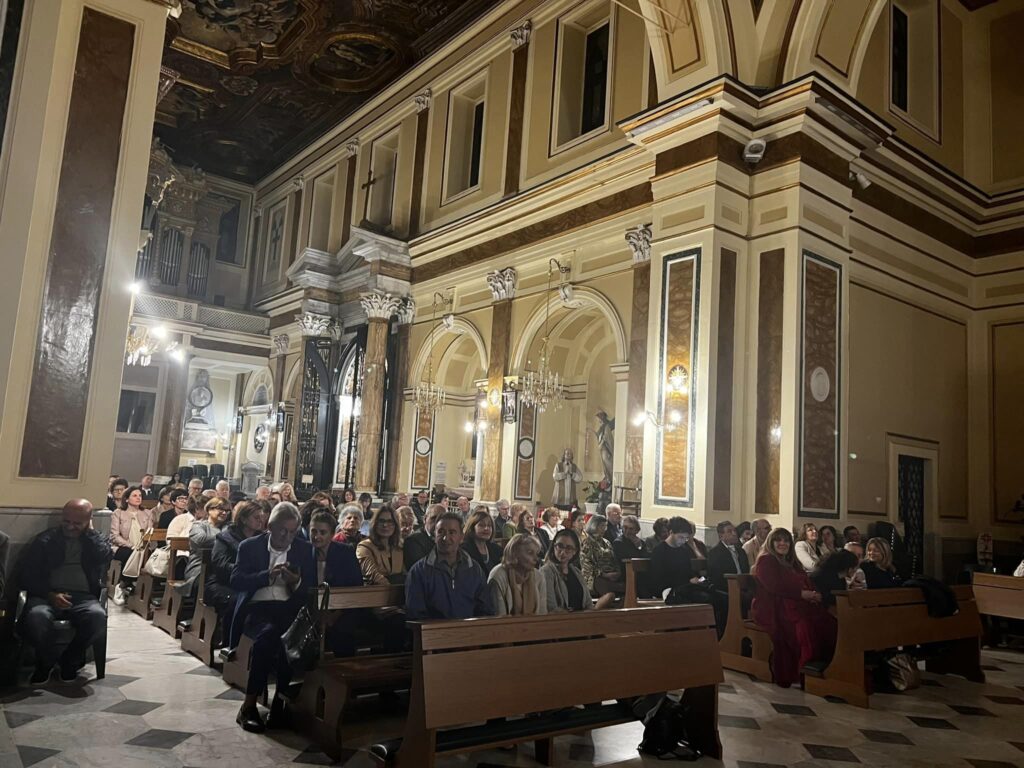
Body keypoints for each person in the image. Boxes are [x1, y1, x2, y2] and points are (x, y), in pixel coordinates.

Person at [232, 502, 315, 733]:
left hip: (289, 607)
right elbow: (236, 580)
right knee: (268, 637)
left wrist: (295, 582)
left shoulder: (304, 549)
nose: (286, 536)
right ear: (270, 526)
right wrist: (265, 576)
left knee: (289, 638)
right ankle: (248, 706)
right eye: (282, 530)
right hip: (258, 608)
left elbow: (310, 588)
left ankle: (280, 702)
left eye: (292, 532)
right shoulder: (250, 547)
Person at [20, 500, 110, 685]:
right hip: (46, 595)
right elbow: (27, 576)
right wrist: (50, 595)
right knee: (37, 617)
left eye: (77, 523)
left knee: (97, 617)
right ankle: (46, 662)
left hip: (83, 597)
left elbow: (105, 556)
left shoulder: (94, 540)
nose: (70, 527)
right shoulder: (45, 540)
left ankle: (70, 660)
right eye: (66, 521)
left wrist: (91, 533)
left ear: (89, 520)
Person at [751, 527, 836, 687]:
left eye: (786, 540)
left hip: (796, 604)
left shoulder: (792, 562)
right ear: (771, 542)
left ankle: (823, 669)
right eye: (778, 540)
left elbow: (807, 580)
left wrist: (814, 594)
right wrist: (802, 594)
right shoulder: (766, 560)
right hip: (773, 606)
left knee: (827, 622)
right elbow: (775, 586)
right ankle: (801, 671)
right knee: (804, 626)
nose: (783, 543)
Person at [405, 511, 492, 620]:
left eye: (452, 532)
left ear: (461, 537)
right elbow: (416, 615)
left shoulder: (474, 569)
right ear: (434, 536)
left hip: (469, 632)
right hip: (434, 633)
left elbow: (485, 609)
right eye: (441, 532)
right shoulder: (419, 571)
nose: (446, 538)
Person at [213, 502, 267, 650]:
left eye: (261, 517)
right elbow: (220, 564)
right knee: (238, 601)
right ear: (243, 519)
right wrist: (243, 571)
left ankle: (254, 645)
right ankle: (230, 645)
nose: (260, 521)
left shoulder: (262, 538)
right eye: (256, 517)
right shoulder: (225, 538)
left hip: (251, 583)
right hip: (224, 584)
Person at [541, 529, 613, 612]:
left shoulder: (576, 572)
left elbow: (588, 603)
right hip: (562, 621)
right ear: (554, 546)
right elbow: (551, 607)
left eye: (568, 548)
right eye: (560, 546)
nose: (563, 552)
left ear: (574, 551)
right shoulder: (546, 572)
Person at [176, 496, 231, 601]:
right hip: (199, 571)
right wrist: (226, 539)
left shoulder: (228, 527)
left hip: (222, 569)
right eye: (221, 509)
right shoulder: (198, 526)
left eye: (227, 511)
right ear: (210, 509)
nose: (224, 513)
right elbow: (201, 540)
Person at [109, 485, 156, 604]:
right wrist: (130, 545)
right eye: (134, 495)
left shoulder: (147, 513)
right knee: (129, 553)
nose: (138, 498)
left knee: (148, 556)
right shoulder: (118, 513)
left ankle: (126, 584)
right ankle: (126, 585)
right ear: (126, 499)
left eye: (140, 495)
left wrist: (142, 546)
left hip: (142, 546)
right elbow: (114, 536)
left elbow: (150, 533)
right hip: (123, 546)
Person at [488, 534, 547, 616]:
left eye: (536, 554)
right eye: (530, 553)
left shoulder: (539, 577)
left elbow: (542, 614)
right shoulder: (498, 576)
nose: (536, 559)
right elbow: (499, 618)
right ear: (514, 553)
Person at [309, 511, 362, 587]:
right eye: (313, 531)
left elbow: (357, 584)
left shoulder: (346, 553)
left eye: (322, 532)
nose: (317, 537)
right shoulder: (303, 551)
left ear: (332, 534)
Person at [357, 506, 405, 585]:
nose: (385, 525)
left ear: (396, 525)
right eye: (381, 521)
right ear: (375, 524)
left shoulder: (400, 547)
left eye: (390, 521)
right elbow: (373, 575)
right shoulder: (364, 547)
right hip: (375, 592)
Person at [580, 515, 624, 598]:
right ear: (594, 526)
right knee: (604, 586)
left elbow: (614, 559)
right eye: (601, 526)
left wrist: (617, 572)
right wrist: (604, 575)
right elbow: (586, 564)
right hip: (596, 577)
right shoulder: (587, 543)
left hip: (610, 575)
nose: (604, 529)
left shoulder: (607, 542)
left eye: (605, 526)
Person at [707, 521, 749, 595]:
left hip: (744, 588)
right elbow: (716, 578)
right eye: (729, 531)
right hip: (726, 589)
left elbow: (746, 571)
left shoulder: (741, 551)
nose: (734, 534)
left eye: (734, 530)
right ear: (721, 536)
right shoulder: (715, 553)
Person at [462, 506, 503, 577]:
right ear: (472, 528)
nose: (486, 528)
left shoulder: (496, 549)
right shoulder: (464, 550)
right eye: (481, 525)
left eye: (489, 526)